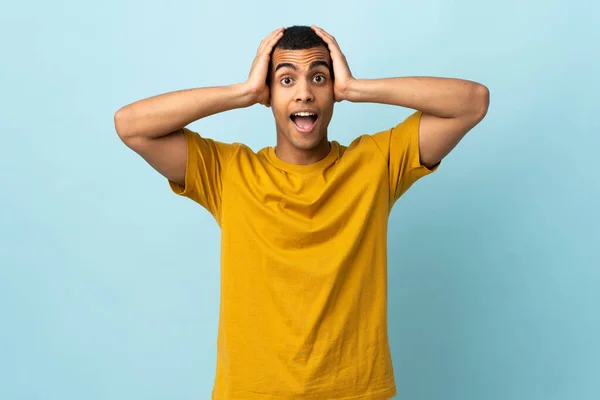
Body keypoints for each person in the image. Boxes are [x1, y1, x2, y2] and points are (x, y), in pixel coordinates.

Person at [114, 24, 489, 400]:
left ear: (333, 90)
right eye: (287, 80)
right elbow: (131, 126)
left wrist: (356, 89)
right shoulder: (229, 172)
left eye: (319, 78)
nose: (305, 93)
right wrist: (242, 92)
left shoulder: (375, 164)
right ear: (269, 93)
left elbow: (472, 102)